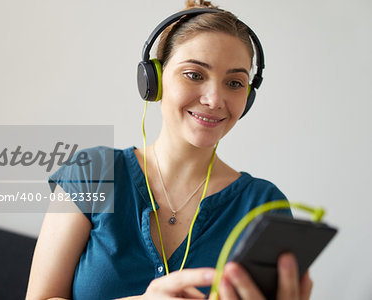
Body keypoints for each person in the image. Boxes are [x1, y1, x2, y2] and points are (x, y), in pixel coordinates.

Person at [26, 1, 313, 299]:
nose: (215, 99)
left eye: (234, 82)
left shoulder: (264, 205)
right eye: (195, 75)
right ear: (154, 79)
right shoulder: (91, 171)